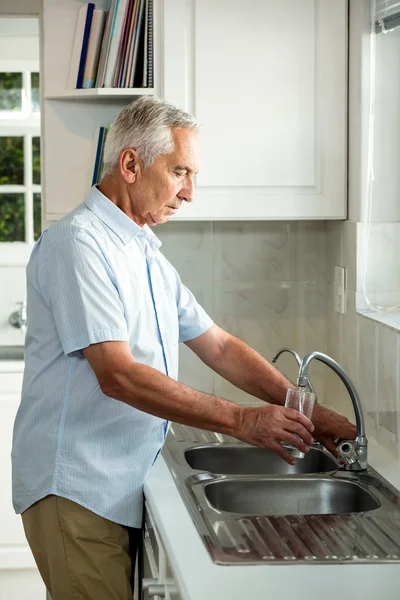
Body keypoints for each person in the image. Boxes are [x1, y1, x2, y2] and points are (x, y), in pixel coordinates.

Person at [12, 96, 356, 600]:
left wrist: (308, 410)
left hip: (120, 481)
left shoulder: (143, 250)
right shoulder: (78, 245)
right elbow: (119, 375)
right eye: (180, 172)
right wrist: (243, 421)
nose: (189, 193)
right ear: (130, 164)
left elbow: (216, 345)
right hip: (77, 489)